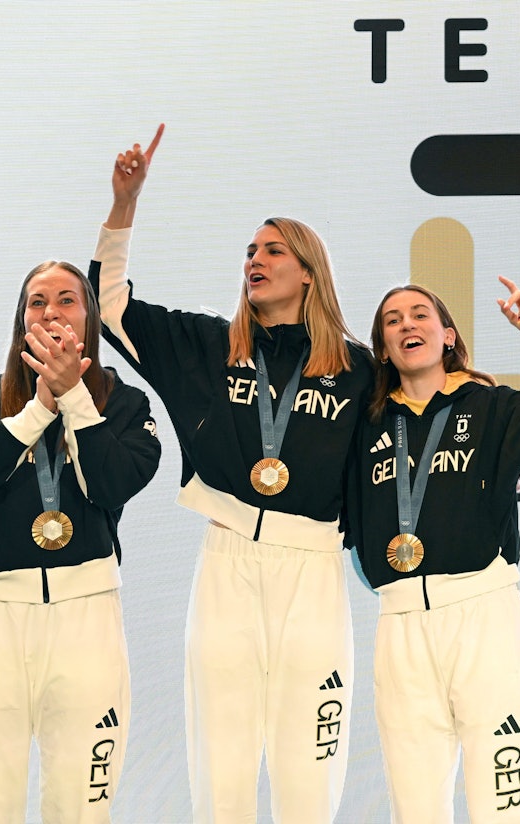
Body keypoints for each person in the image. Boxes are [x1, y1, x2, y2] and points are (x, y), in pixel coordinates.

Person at [91, 126, 373, 822]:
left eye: (274, 249)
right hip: (227, 561)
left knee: (309, 770)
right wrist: (123, 205)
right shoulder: (208, 346)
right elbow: (110, 306)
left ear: (309, 270)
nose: (256, 258)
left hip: (312, 571)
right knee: (222, 767)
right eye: (249, 250)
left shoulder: (361, 369)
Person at [346, 279, 520, 823]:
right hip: (401, 625)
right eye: (392, 320)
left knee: (504, 803)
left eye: (419, 315)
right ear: (382, 346)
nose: (407, 325)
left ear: (448, 335)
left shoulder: (492, 406)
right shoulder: (363, 424)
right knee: (413, 809)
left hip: (485, 617)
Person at [0, 258, 161, 822]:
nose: (51, 311)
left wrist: (73, 399)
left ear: (89, 318)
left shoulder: (125, 403)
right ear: (22, 321)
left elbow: (114, 483)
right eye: (37, 301)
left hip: (85, 616)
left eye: (67, 299)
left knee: (81, 804)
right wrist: (39, 406)